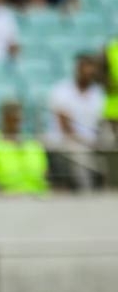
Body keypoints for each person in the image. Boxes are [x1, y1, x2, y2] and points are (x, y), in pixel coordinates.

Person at [45, 54, 107, 191]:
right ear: (78, 69)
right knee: (79, 153)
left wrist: (99, 141)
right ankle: (86, 191)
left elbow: (101, 123)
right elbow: (66, 128)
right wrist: (88, 142)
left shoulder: (98, 93)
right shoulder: (61, 90)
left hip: (91, 141)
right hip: (65, 140)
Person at [0, 100, 48, 195]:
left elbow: (46, 175)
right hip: (4, 197)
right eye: (11, 117)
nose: (16, 122)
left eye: (18, 118)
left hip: (37, 196)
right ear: (3, 118)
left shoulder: (33, 145)